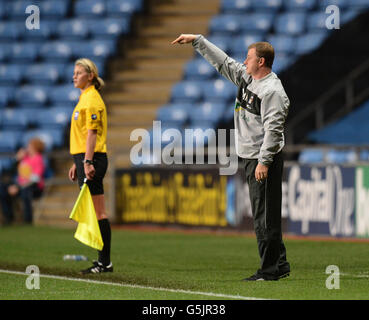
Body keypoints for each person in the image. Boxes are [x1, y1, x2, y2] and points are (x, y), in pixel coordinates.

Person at [172, 34, 291, 281]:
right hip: (250, 155)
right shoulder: (248, 78)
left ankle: (268, 271)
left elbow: (274, 129)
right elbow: (224, 62)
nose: (244, 61)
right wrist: (198, 41)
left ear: (261, 62)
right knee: (264, 213)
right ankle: (279, 263)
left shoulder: (272, 92)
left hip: (262, 159)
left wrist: (264, 161)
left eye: (248, 58)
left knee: (264, 216)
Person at [68, 58, 113, 274]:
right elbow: (81, 135)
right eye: (74, 72)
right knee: (95, 213)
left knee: (99, 213)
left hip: (93, 159)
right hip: (84, 159)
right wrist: (76, 161)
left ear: (91, 75)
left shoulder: (92, 99)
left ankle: (105, 263)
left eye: (79, 72)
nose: (74, 76)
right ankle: (103, 261)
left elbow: (92, 134)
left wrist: (86, 161)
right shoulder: (84, 98)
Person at [0, 138, 45, 225]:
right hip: (20, 185)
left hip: (33, 187)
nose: (27, 147)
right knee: (3, 188)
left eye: (29, 146)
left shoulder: (38, 159)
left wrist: (17, 187)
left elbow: (35, 178)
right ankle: (9, 218)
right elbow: (9, 172)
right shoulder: (24, 158)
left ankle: (27, 221)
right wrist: (17, 159)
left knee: (26, 192)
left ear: (35, 148)